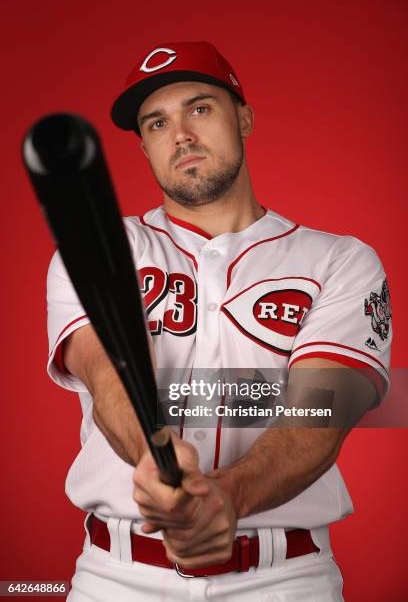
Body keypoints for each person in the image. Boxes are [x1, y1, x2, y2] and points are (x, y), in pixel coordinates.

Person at [46, 41, 392, 601]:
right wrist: (153, 455)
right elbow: (105, 372)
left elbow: (321, 408)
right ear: (146, 147)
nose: (179, 133)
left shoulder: (339, 261)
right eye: (156, 123)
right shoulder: (99, 248)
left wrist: (228, 496)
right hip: (116, 578)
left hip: (286, 581)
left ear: (245, 119)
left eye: (199, 108)